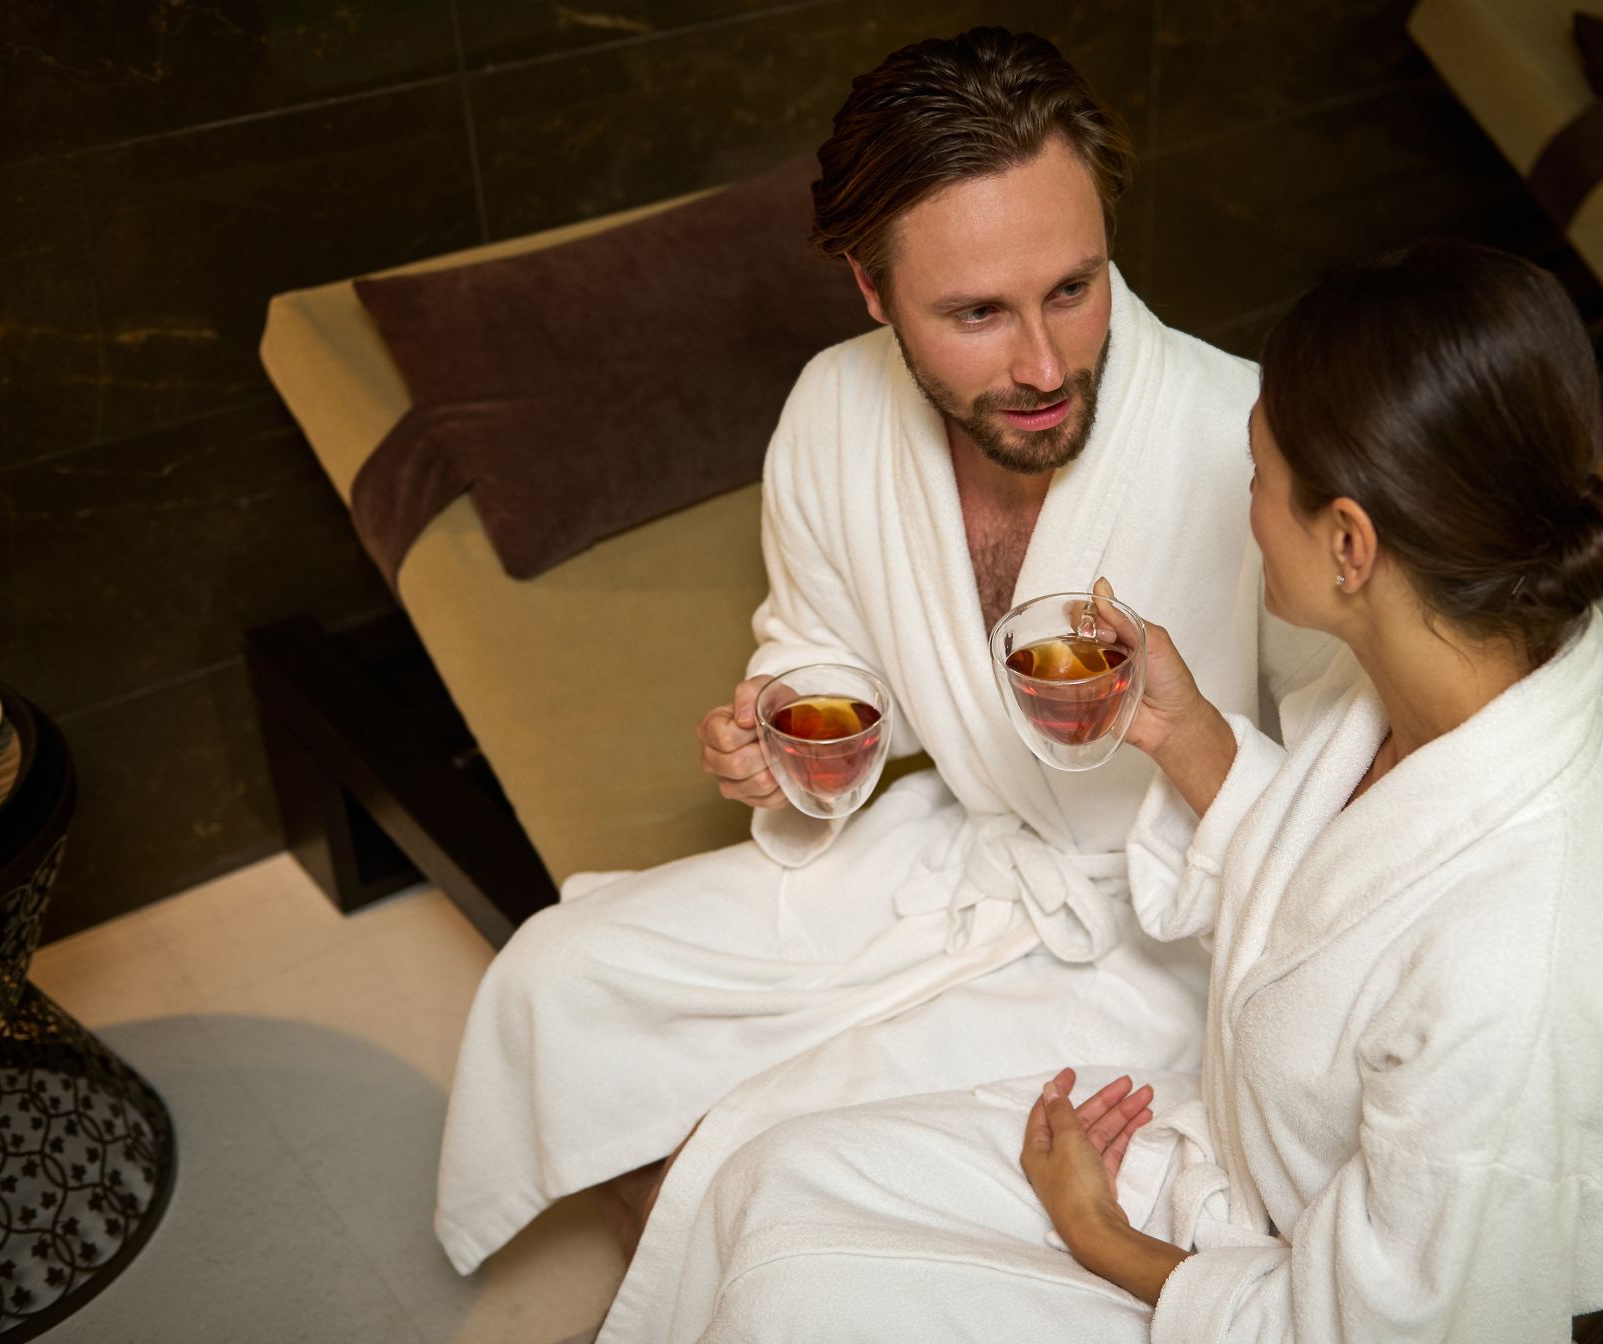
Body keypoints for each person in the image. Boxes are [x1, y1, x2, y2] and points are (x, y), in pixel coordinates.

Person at [432, 26, 1333, 1334]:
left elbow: (1345, 820)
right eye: (976, 313)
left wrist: (1190, 753)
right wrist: (797, 753)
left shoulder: (1243, 441)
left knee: (767, 1151)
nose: (1042, 364)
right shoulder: (833, 414)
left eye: (1074, 288)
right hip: (962, 850)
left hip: (1161, 948)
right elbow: (821, 655)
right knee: (557, 976)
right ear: (871, 290)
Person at [678, 240, 1603, 1343]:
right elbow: (1339, 892)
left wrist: (1106, 1239)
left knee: (791, 1295)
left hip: (1268, 1287)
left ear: (1348, 543)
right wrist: (1186, 731)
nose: (1241, 507)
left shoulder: (1517, 970)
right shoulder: (1449, 678)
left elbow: (1375, 1331)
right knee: (775, 1182)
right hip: (1242, 1175)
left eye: (1256, 478)